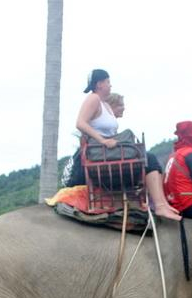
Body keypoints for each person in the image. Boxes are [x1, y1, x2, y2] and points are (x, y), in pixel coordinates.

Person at [75, 69, 180, 221]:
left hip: (107, 152)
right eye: (108, 82)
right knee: (148, 158)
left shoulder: (104, 104)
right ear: (99, 84)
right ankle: (160, 206)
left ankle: (162, 203)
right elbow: (80, 123)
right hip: (100, 153)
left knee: (148, 157)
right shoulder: (94, 99)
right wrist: (103, 140)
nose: (110, 86)